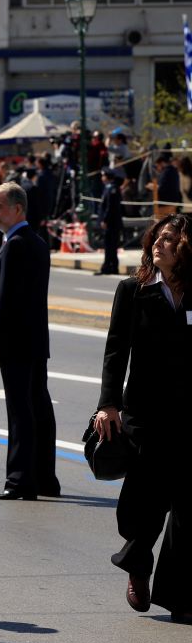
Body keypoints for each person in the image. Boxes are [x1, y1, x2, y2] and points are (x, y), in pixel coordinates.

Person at [94, 213, 192, 622]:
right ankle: (137, 563)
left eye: (171, 240)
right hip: (145, 415)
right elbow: (116, 351)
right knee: (145, 501)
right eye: (159, 237)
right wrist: (108, 404)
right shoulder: (132, 291)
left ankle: (180, 596)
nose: (160, 244)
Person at [0, 182, 59, 500]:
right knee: (38, 407)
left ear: (18, 208)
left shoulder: (16, 245)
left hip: (15, 343)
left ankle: (20, 480)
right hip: (34, 341)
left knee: (20, 411)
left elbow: (8, 301)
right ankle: (44, 478)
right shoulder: (35, 241)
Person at [98, 168, 124, 276]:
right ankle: (110, 266)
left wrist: (105, 220)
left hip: (112, 223)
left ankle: (109, 267)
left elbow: (110, 207)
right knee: (110, 246)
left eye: (103, 176)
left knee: (110, 246)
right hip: (111, 223)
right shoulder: (108, 188)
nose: (102, 178)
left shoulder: (112, 188)